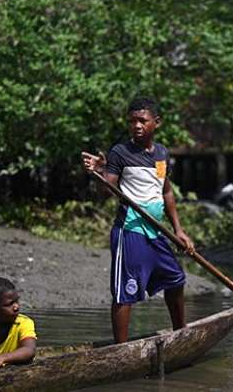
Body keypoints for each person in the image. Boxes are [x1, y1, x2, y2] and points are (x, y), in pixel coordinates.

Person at [81, 96, 194, 343]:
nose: (137, 126)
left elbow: (165, 191)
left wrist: (179, 230)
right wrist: (100, 172)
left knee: (176, 279)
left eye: (142, 120)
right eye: (132, 121)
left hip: (156, 233)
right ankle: (121, 350)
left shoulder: (162, 154)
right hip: (130, 230)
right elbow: (106, 191)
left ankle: (181, 335)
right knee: (126, 292)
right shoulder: (120, 152)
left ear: (157, 122)